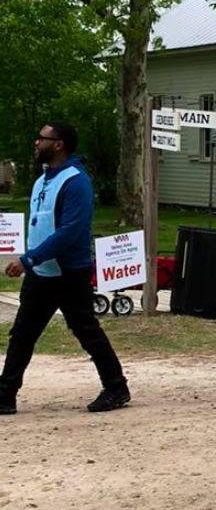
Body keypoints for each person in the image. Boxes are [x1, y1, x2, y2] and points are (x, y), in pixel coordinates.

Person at [0, 121, 130, 415]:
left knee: (86, 331)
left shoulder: (76, 181)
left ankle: (116, 388)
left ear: (58, 144)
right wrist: (33, 260)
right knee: (22, 334)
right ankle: (5, 394)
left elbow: (69, 231)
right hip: (41, 272)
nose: (36, 142)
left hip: (69, 272)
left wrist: (28, 259)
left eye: (41, 138)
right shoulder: (43, 179)